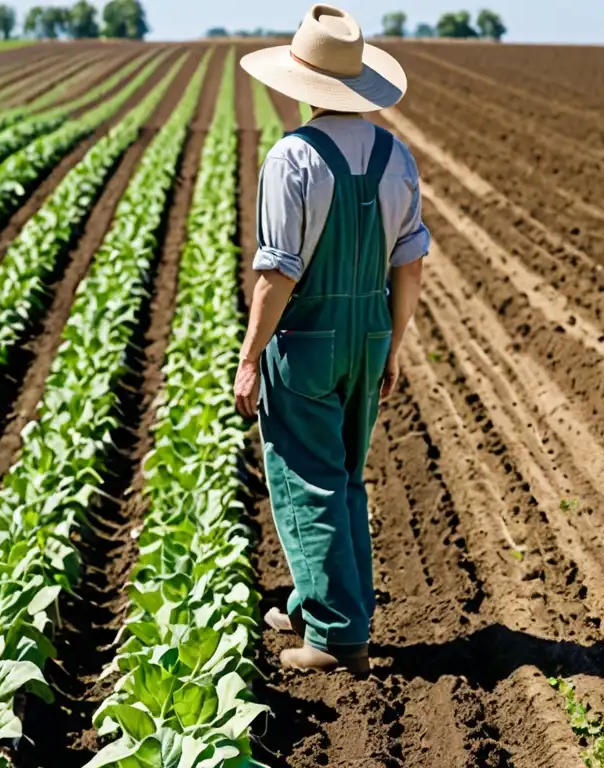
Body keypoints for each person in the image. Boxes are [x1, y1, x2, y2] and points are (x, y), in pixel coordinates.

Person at [235, 3, 429, 675]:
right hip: (370, 334)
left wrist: (251, 354)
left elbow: (277, 273)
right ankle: (324, 600)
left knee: (305, 477)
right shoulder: (396, 156)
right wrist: (394, 347)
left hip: (309, 338)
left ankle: (335, 638)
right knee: (344, 476)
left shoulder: (292, 158)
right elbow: (410, 265)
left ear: (301, 83)